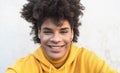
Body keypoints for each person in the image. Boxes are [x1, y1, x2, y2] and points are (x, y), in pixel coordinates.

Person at [6, 0, 118, 73]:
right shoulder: (24, 67)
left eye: (63, 31)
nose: (56, 39)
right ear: (39, 33)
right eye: (48, 32)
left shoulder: (87, 60)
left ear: (72, 33)